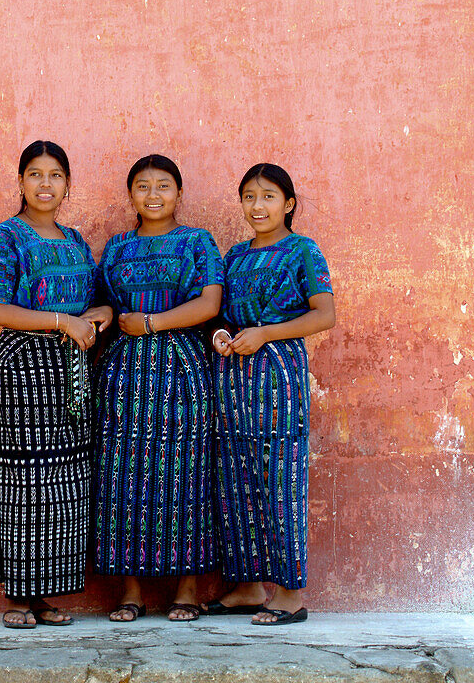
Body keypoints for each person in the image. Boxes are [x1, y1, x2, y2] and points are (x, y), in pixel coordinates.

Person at [0, 140, 112, 628]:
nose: (46, 184)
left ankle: (46, 596)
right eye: (35, 174)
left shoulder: (75, 241)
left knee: (65, 481)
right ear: (20, 182)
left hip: (71, 374)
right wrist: (61, 322)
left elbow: (100, 300)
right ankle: (18, 596)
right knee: (23, 477)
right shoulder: (4, 239)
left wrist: (98, 315)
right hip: (23, 370)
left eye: (55, 175)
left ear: (68, 185)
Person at [93, 154, 223, 622]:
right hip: (124, 375)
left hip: (182, 370)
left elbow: (210, 303)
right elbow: (104, 302)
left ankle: (186, 588)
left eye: (163, 185)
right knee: (123, 476)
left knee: (185, 473)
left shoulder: (196, 242)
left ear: (179, 193)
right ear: (131, 195)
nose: (153, 195)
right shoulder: (116, 246)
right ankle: (131, 590)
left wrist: (152, 323)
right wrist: (106, 314)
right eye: (143, 186)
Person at [207, 163, 336, 626]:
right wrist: (225, 335)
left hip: (277, 375)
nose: (257, 206)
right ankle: (248, 587)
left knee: (280, 478)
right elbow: (220, 313)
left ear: (289, 204)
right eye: (248, 197)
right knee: (236, 478)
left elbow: (325, 315)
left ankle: (290, 592)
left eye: (267, 197)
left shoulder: (303, 251)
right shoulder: (236, 255)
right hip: (232, 373)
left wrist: (267, 334)